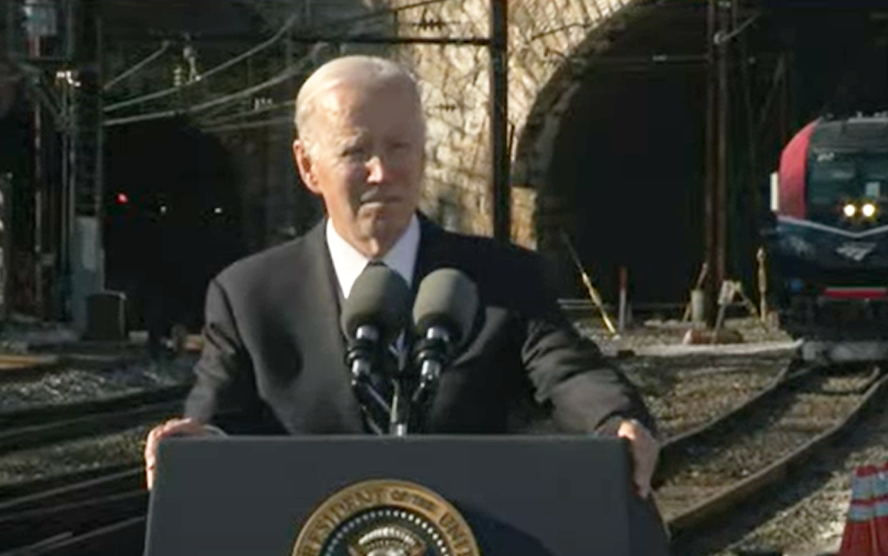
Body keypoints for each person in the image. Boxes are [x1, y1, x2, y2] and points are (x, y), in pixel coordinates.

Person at [142, 55, 662, 499]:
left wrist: (613, 422)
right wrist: (196, 442)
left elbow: (567, 373)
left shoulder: (503, 278)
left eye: (399, 148)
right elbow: (219, 419)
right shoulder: (248, 295)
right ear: (307, 165)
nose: (381, 172)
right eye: (355, 151)